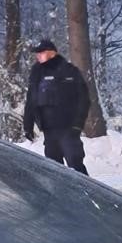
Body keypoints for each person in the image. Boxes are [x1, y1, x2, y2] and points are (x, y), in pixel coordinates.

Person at [22, 39, 90, 175]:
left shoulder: (69, 71)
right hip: (49, 131)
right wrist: (27, 125)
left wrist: (77, 126)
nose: (38, 56)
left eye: (41, 53)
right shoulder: (36, 73)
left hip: (68, 130)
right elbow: (31, 100)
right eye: (37, 53)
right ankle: (62, 196)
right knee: (54, 170)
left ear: (51, 53)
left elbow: (84, 100)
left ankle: (90, 195)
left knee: (76, 165)